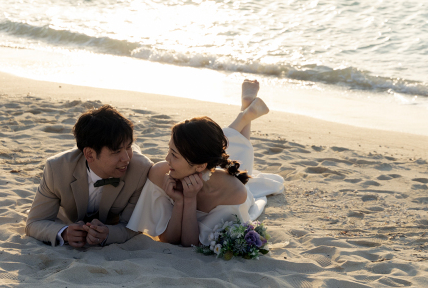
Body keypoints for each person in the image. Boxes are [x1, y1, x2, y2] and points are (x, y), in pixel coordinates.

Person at [127, 79, 284, 246]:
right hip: (207, 165)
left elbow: (190, 243)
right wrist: (179, 202)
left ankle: (245, 114)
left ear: (201, 166)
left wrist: (190, 198)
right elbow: (168, 239)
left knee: (243, 159)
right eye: (169, 150)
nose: (166, 159)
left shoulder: (233, 191)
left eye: (174, 155)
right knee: (213, 144)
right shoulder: (161, 173)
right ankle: (244, 115)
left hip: (232, 186)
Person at [25, 105, 153, 247]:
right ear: (89, 154)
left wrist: (109, 234)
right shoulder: (56, 169)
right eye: (116, 151)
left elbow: (134, 226)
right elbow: (34, 222)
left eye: (129, 147)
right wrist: (64, 232)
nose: (126, 158)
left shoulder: (140, 170)